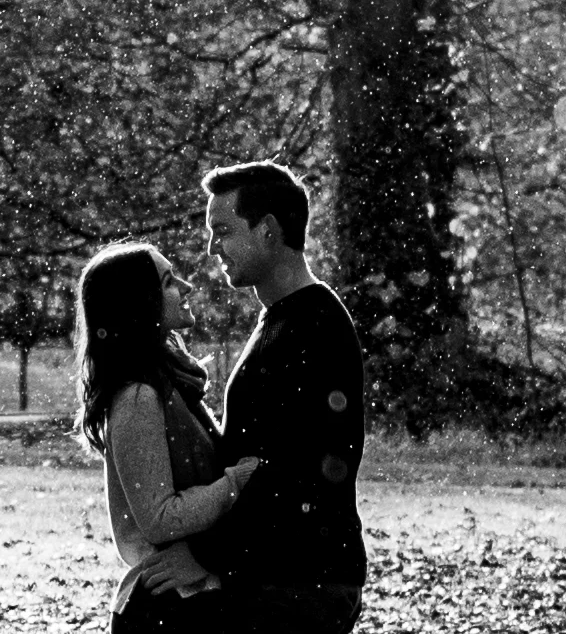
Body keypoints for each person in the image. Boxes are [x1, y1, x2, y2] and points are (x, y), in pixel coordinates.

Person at [198, 161, 367, 633]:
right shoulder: (284, 319)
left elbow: (299, 469)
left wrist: (206, 560)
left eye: (223, 230)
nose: (213, 248)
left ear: (268, 231)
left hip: (300, 581)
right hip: (283, 575)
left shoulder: (314, 326)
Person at [73, 242, 259, 633]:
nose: (187, 287)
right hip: (164, 608)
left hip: (188, 597)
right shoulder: (138, 396)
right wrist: (235, 484)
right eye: (168, 282)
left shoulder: (169, 382)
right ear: (139, 303)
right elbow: (159, 519)